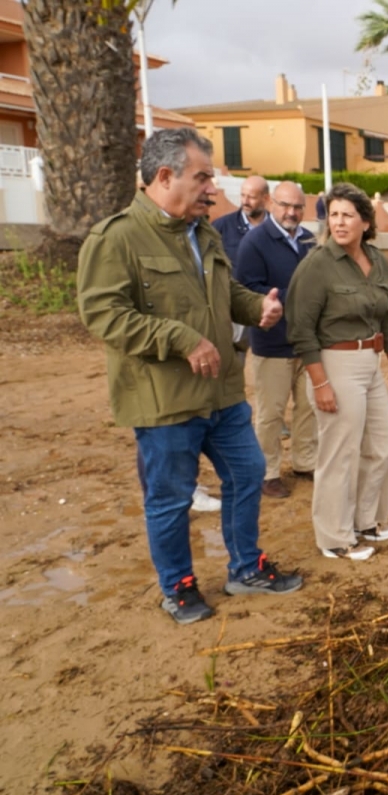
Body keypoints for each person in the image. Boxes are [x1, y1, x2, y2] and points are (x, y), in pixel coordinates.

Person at [77, 128, 302, 625]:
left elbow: (225, 296)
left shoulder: (206, 233)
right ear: (164, 176)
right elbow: (103, 315)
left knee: (247, 475)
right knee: (171, 497)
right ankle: (177, 585)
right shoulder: (116, 239)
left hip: (221, 394)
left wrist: (258, 307)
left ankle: (245, 568)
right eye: (202, 178)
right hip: (165, 401)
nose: (211, 190)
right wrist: (179, 339)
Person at [285, 183, 388, 561]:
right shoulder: (317, 265)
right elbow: (300, 329)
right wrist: (320, 382)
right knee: (339, 455)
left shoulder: (377, 260)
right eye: (333, 214)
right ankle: (335, 538)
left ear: (366, 222)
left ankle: (366, 520)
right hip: (334, 364)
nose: (338, 222)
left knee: (386, 447)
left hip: (370, 362)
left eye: (347, 215)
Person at [234, 181, 318, 499]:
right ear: (271, 203)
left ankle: (305, 461)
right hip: (272, 343)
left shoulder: (310, 240)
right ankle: (268, 472)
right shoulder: (255, 242)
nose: (292, 212)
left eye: (298, 207)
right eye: (285, 205)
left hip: (307, 342)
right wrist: (293, 298)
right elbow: (245, 289)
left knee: (308, 406)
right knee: (271, 413)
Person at [213, 175, 269, 267]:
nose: (245, 202)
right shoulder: (221, 226)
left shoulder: (278, 228)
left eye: (252, 197)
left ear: (266, 198)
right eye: (243, 195)